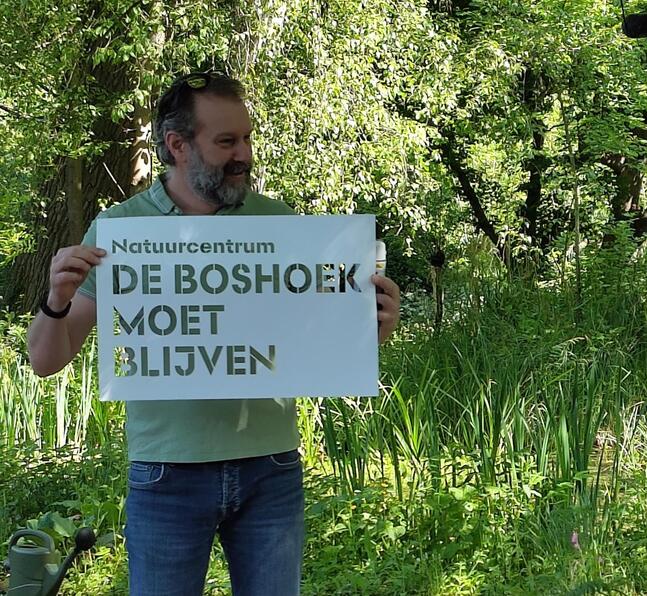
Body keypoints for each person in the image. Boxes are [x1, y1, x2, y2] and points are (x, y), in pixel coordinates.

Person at [26, 72, 401, 596]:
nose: (243, 154)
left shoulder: (279, 221)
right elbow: (47, 361)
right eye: (226, 141)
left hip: (270, 469)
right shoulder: (123, 230)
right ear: (177, 146)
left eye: (246, 138)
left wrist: (374, 326)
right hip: (167, 475)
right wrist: (57, 299)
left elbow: (319, 346)